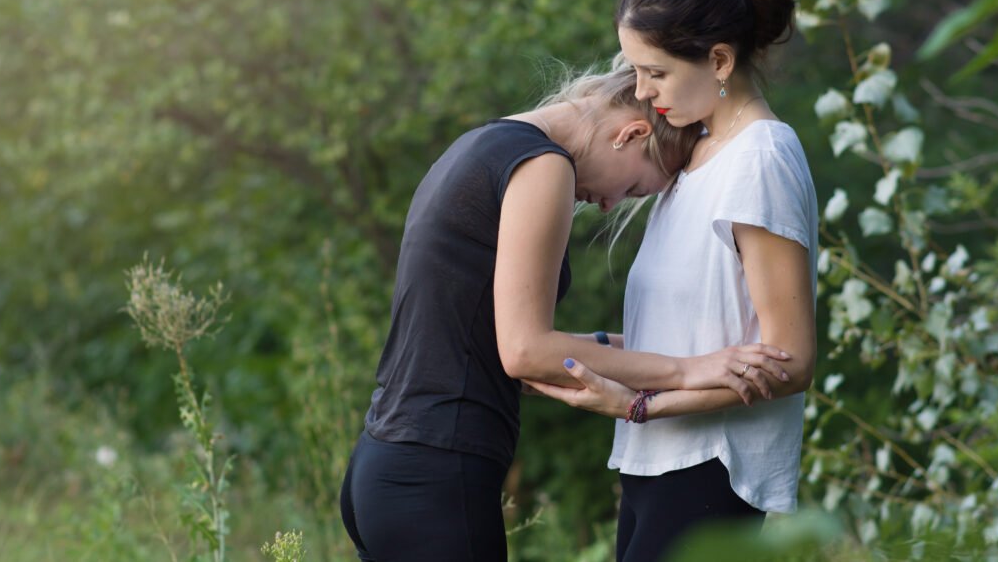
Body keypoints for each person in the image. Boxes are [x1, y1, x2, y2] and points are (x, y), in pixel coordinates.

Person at [339, 55, 794, 562]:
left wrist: (642, 350)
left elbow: (495, 343)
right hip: (438, 473)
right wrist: (688, 370)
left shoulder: (484, 144)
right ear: (631, 133)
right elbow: (527, 352)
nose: (607, 204)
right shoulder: (542, 165)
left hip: (385, 464)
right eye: (636, 188)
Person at [526, 0, 819, 561]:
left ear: (718, 60)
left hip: (712, 467)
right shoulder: (697, 159)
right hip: (656, 460)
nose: (639, 91)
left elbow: (791, 362)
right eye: (635, 70)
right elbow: (695, 333)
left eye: (654, 71)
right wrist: (567, 355)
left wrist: (638, 404)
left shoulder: (760, 159)